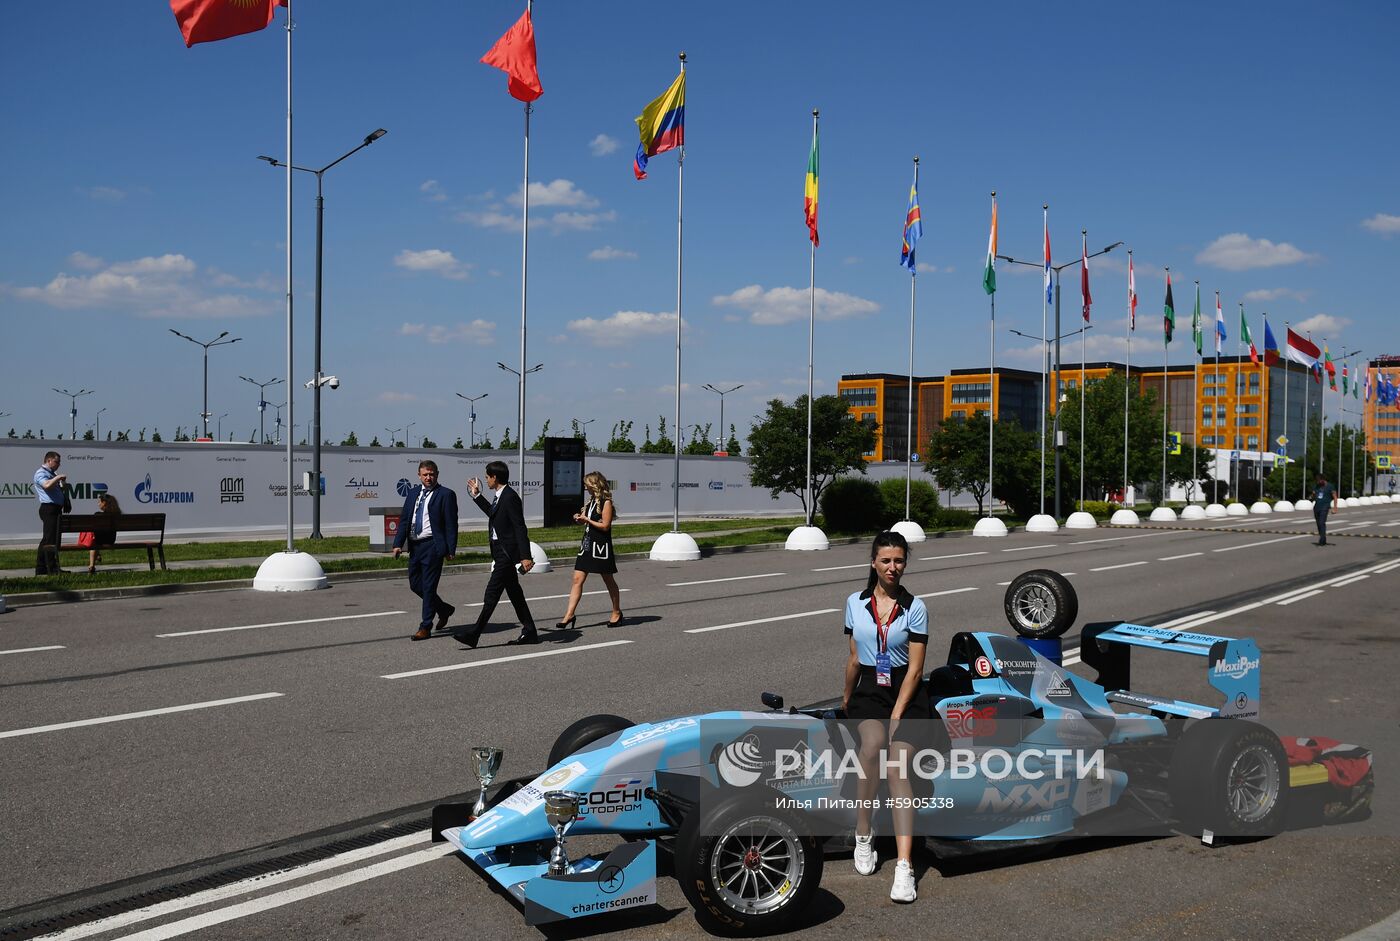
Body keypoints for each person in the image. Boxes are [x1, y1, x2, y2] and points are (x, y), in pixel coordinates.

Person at [841, 530, 929, 904]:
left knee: (897, 766)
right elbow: (854, 656)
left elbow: (915, 669)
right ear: (873, 563)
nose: (893, 568)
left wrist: (897, 714)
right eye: (886, 560)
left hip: (905, 693)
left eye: (899, 560)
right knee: (873, 744)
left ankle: (904, 866)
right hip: (870, 689)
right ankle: (864, 831)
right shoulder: (854, 602)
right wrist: (846, 699)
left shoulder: (916, 607)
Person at [454, 461, 538, 647]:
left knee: (491, 594)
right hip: (500, 551)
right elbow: (493, 514)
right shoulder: (500, 496)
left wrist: (525, 555)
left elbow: (519, 527)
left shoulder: (510, 497)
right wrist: (477, 496)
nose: (486, 480)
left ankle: (474, 634)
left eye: (487, 477)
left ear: (494, 477)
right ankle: (530, 630)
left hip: (506, 554)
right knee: (515, 594)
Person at [392, 460, 459, 640]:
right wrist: (398, 544)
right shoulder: (413, 493)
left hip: (433, 546)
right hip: (415, 546)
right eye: (425, 475)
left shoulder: (446, 494)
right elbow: (405, 520)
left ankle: (425, 626)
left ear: (437, 474)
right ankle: (444, 609)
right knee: (415, 585)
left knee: (429, 587)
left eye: (432, 474)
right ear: (419, 475)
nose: (428, 478)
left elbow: (451, 524)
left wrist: (450, 548)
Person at [553, 471, 623, 629]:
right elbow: (586, 521)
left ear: (594, 484)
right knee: (577, 579)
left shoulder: (606, 502)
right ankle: (569, 615)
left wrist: (587, 520)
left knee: (608, 579)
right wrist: (579, 519)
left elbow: (605, 526)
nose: (585, 487)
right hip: (587, 544)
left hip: (600, 546)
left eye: (586, 484)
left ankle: (616, 612)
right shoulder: (591, 501)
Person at [33, 451, 67, 575]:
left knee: (50, 539)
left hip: (56, 508)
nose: (59, 464)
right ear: (49, 461)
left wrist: (61, 483)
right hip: (49, 509)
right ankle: (50, 568)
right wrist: (57, 478)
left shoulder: (51, 474)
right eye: (57, 462)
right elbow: (46, 485)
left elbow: (57, 488)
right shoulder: (41, 473)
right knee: (50, 540)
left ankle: (42, 567)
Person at [84, 492, 123, 574]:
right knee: (96, 540)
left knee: (94, 542)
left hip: (99, 540)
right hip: (111, 539)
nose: (98, 504)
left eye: (99, 502)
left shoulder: (97, 515)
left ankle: (92, 566)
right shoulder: (117, 515)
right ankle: (97, 555)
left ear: (104, 503)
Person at [1312, 472, 1338, 546]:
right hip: (1316, 507)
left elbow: (1335, 497)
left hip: (1325, 507)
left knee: (1321, 522)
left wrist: (1335, 508)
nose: (1318, 482)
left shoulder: (1330, 486)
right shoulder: (1316, 486)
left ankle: (1322, 539)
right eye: (1317, 481)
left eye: (1319, 480)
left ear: (1323, 479)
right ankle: (1323, 537)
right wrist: (1313, 495)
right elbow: (1314, 496)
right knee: (1318, 524)